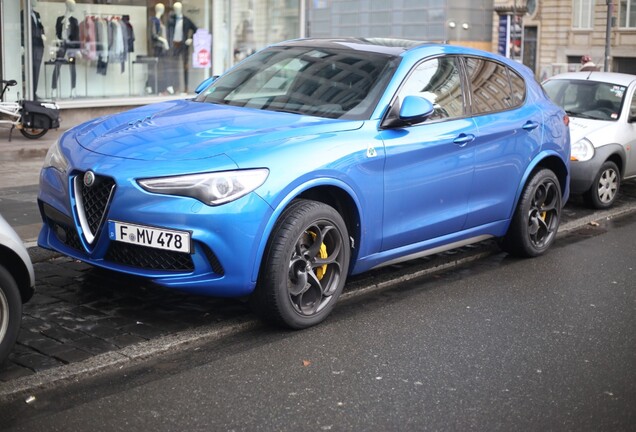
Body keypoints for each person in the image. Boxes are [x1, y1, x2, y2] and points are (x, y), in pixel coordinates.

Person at [167, 2, 197, 93]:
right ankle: (175, 87)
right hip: (174, 45)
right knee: (174, 67)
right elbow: (168, 32)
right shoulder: (171, 20)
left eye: (178, 9)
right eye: (175, 9)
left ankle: (185, 88)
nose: (176, 11)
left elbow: (195, 29)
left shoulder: (186, 20)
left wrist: (190, 39)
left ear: (181, 9)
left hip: (184, 45)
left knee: (185, 67)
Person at [53, 0, 80, 97]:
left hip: (71, 46)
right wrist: (57, 40)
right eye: (72, 5)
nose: (74, 7)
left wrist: (77, 49)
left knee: (72, 68)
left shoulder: (74, 20)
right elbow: (57, 33)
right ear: (67, 6)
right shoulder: (60, 19)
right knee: (57, 67)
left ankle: (73, 89)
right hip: (61, 45)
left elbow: (77, 36)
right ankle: (54, 89)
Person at [21, 0, 46, 98]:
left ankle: (33, 92)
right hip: (30, 45)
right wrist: (22, 45)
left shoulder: (37, 14)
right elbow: (21, 30)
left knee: (37, 69)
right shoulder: (22, 14)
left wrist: (43, 34)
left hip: (39, 46)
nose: (37, 1)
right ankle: (28, 93)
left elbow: (40, 26)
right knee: (29, 70)